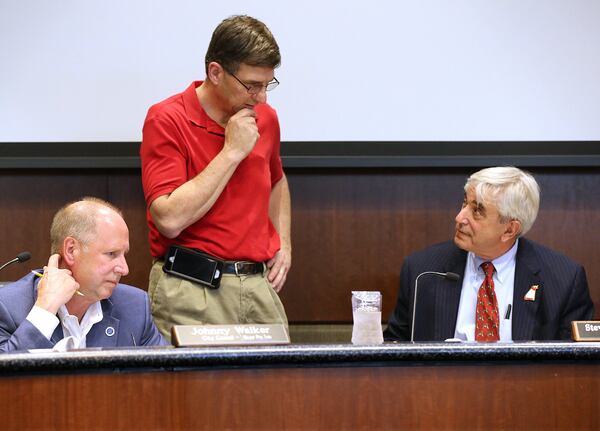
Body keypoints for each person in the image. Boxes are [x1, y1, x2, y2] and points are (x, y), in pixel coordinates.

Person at [140, 15, 290, 339]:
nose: (262, 98)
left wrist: (284, 243)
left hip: (257, 286)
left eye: (268, 85)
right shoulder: (167, 119)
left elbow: (277, 179)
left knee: (275, 387)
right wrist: (232, 151)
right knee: (190, 390)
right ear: (215, 72)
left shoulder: (266, 118)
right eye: (252, 85)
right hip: (191, 290)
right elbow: (168, 218)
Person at [384, 166, 594, 342]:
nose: (459, 217)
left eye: (477, 211)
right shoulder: (423, 271)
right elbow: (396, 347)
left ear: (510, 229)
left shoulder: (563, 280)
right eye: (465, 203)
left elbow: (573, 369)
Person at [0, 198, 166, 352]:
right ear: (71, 250)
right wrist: (45, 310)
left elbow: (166, 378)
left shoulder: (135, 307)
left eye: (124, 254)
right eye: (111, 254)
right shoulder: (7, 306)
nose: (124, 269)